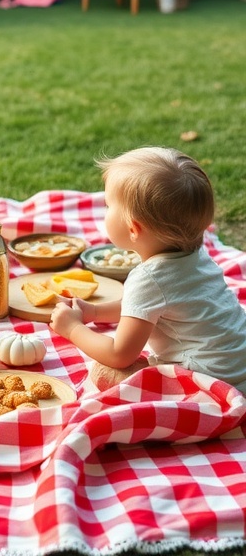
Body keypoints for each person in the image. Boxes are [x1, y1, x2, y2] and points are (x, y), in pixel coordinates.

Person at [50, 146, 246, 394]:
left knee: (113, 378)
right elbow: (142, 308)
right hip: (238, 365)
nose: (105, 210)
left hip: (209, 383)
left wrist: (73, 329)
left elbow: (119, 354)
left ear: (133, 229)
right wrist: (94, 312)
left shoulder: (149, 279)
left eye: (109, 206)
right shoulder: (195, 255)